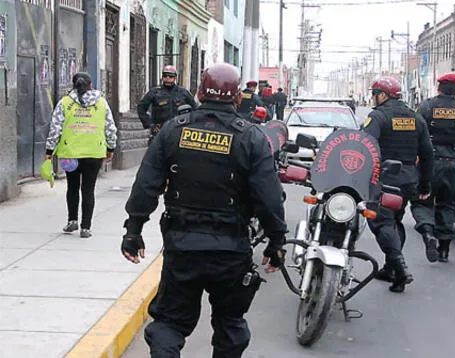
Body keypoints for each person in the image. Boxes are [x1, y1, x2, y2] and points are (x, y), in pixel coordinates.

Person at [121, 63, 287, 357]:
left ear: (198, 92)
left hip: (183, 245)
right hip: (231, 249)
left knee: (169, 324)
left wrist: (133, 230)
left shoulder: (174, 129)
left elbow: (146, 184)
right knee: (230, 324)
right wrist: (276, 241)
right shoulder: (251, 137)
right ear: (237, 97)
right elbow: (269, 197)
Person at [362, 76, 434, 293]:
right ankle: (390, 268)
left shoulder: (378, 116)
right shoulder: (416, 117)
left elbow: (365, 145)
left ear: (383, 95)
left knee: (382, 223)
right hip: (409, 180)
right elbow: (428, 153)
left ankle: (399, 269)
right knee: (395, 221)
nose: (373, 98)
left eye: (375, 94)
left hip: (384, 180)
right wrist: (425, 183)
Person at [411, 73, 455, 263]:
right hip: (453, 166)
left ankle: (427, 233)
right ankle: (444, 249)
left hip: (428, 164)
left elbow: (414, 133)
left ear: (439, 88)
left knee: (421, 201)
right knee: (448, 204)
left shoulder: (426, 107)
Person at [45, 72, 118, 238]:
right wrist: (111, 147)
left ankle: (72, 221)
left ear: (74, 84)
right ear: (91, 85)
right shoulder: (101, 103)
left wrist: (49, 151)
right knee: (88, 189)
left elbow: (55, 128)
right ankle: (86, 227)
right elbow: (110, 128)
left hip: (70, 153)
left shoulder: (65, 103)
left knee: (72, 186)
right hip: (94, 152)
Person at [137, 65, 198, 144]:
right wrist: (150, 124)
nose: (168, 78)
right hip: (160, 132)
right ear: (162, 77)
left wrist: (190, 126)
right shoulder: (155, 92)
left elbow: (196, 109)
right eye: (165, 75)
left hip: (178, 132)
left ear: (175, 78)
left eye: (170, 76)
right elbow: (141, 108)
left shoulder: (183, 93)